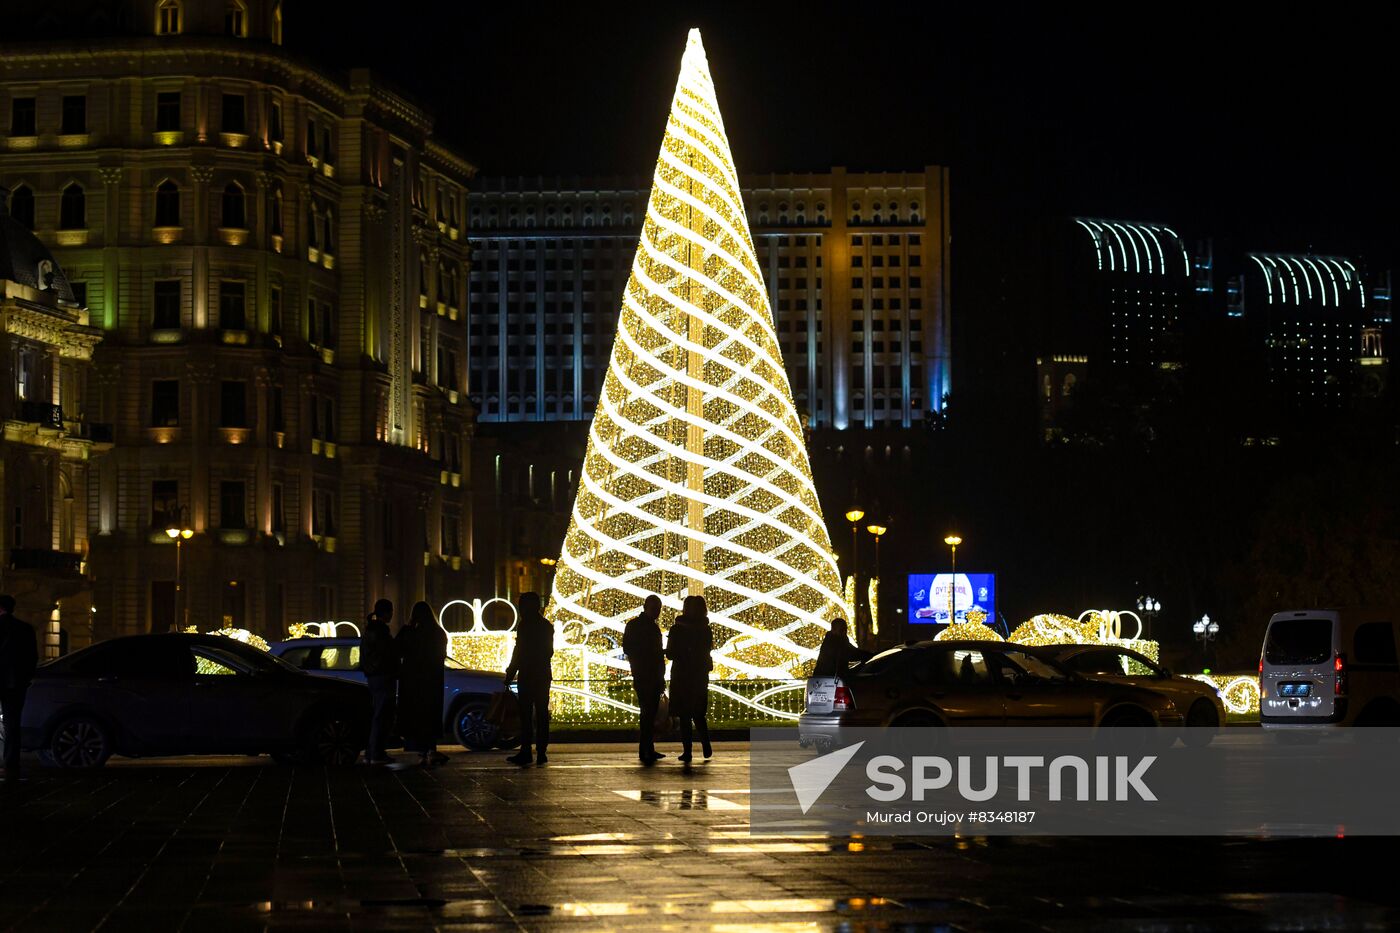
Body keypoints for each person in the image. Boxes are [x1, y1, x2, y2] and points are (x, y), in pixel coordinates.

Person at [394, 601, 448, 768]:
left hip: (411, 680)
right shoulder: (437, 632)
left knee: (415, 714)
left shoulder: (408, 632)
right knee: (430, 713)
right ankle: (430, 748)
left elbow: (396, 650)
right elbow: (441, 655)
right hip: (431, 679)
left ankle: (420, 749)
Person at [504, 592, 553, 765]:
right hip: (543, 675)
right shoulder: (546, 625)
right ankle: (541, 752)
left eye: (522, 605)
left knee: (526, 714)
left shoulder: (525, 625)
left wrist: (510, 674)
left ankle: (526, 750)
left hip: (528, 674)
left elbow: (519, 652)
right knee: (541, 714)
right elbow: (549, 652)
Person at [665, 594, 713, 763]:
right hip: (699, 676)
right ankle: (706, 745)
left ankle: (688, 751)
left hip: (682, 676)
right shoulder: (705, 629)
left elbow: (670, 653)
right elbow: (708, 649)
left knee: (684, 715)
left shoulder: (677, 629)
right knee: (698, 714)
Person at [623, 595, 666, 764]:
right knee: (648, 713)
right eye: (655, 608)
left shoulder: (641, 626)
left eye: (658, 609)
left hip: (649, 674)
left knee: (649, 713)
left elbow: (628, 648)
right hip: (645, 674)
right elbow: (629, 648)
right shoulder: (642, 627)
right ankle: (645, 749)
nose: (657, 612)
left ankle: (648, 748)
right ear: (646, 607)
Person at [0, 594, 38, 783]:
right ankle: (11, 765)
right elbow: (32, 658)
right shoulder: (25, 629)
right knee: (12, 726)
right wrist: (25, 679)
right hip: (15, 684)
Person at [361, 598, 399, 765]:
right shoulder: (381, 631)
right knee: (382, 715)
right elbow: (389, 653)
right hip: (383, 676)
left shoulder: (371, 629)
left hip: (374, 676)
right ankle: (377, 752)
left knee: (378, 714)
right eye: (391, 611)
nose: (392, 614)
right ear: (386, 612)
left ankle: (372, 752)